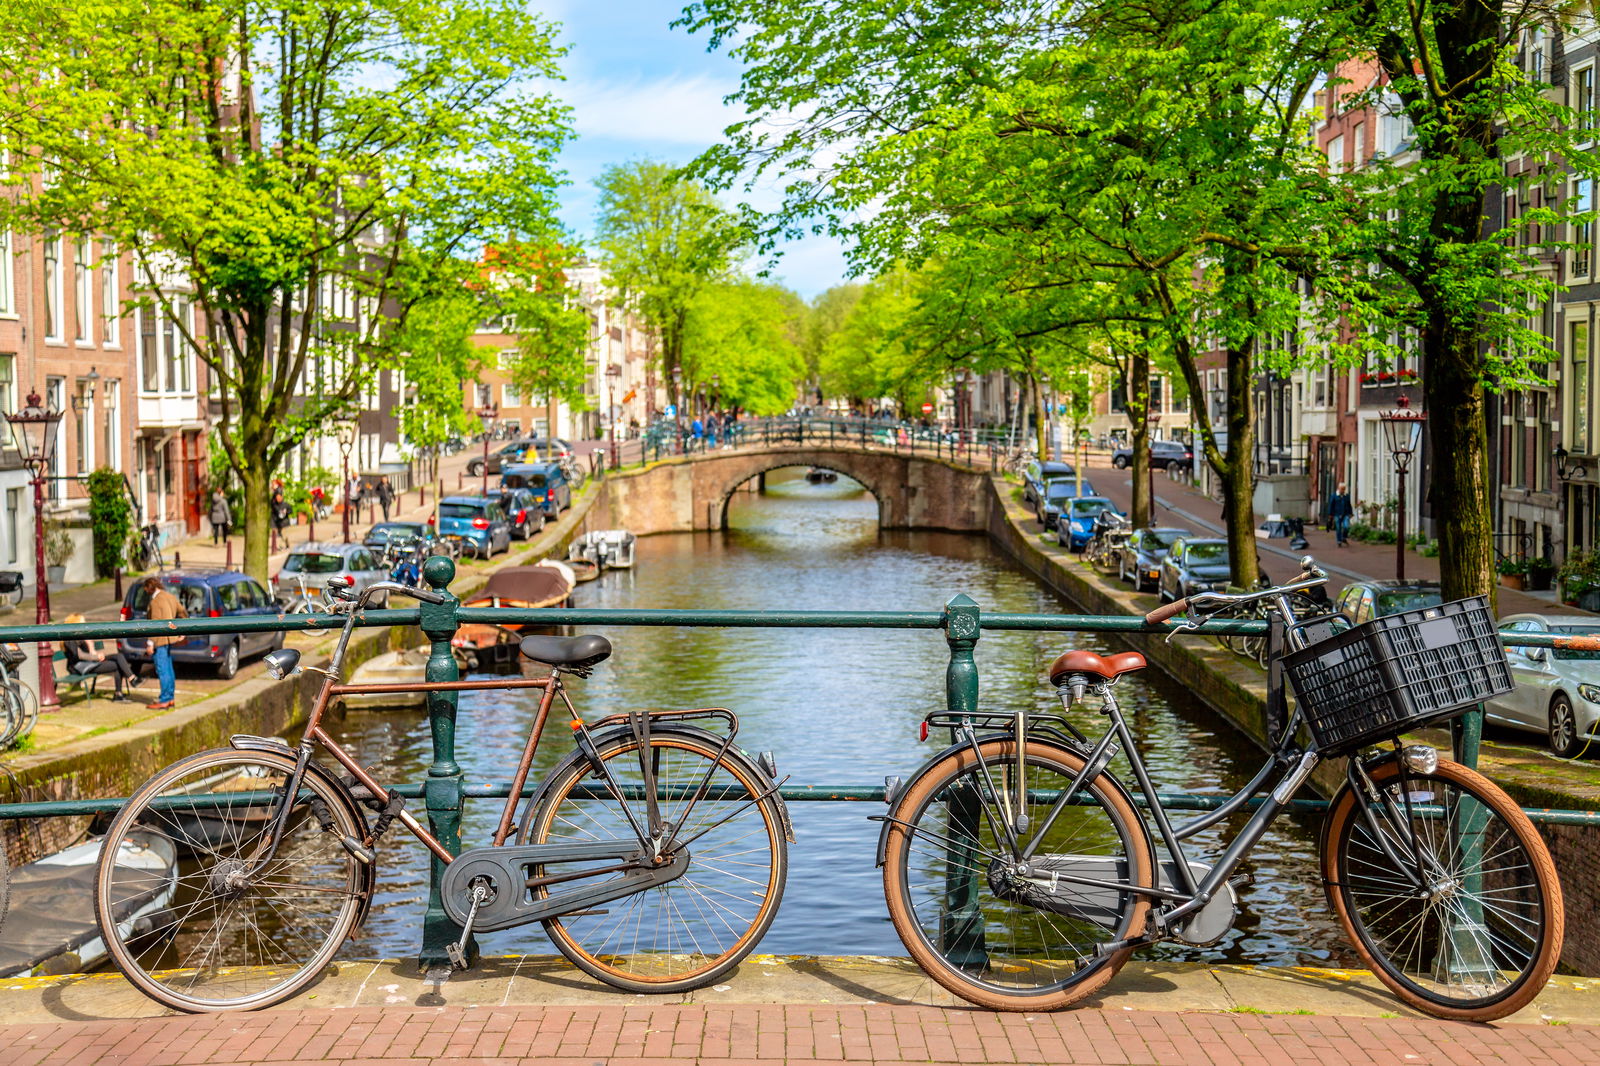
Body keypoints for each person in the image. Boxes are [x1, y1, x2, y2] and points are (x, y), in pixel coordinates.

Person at [62, 613, 140, 701]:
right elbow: (80, 655)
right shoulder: (69, 640)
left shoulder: (81, 636)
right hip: (80, 666)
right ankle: (120, 692)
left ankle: (131, 678)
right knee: (117, 665)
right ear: (75, 624)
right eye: (82, 622)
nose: (85, 624)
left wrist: (91, 647)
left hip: (91, 661)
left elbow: (91, 652)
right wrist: (97, 657)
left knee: (119, 656)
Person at [143, 576, 186, 709]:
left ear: (149, 588)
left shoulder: (155, 602)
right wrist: (182, 631)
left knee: (162, 669)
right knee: (168, 668)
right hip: (170, 638)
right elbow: (182, 612)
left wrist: (150, 644)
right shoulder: (170, 596)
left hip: (159, 640)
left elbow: (154, 624)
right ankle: (170, 697)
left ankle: (165, 699)